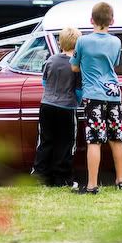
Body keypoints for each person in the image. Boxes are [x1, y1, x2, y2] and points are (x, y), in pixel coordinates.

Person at [71, 2, 122, 194]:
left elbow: (74, 67)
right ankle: (120, 181)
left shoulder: (83, 41)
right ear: (112, 21)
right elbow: (115, 63)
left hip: (93, 95)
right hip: (114, 95)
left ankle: (92, 185)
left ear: (91, 20)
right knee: (116, 138)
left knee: (94, 140)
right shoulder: (116, 42)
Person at [32, 27, 82, 187]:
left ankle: (40, 176)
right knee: (66, 143)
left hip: (47, 105)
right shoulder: (76, 65)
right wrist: (78, 102)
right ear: (78, 45)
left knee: (45, 141)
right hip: (67, 107)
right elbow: (79, 90)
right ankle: (62, 178)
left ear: (60, 42)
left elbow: (44, 82)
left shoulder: (51, 60)